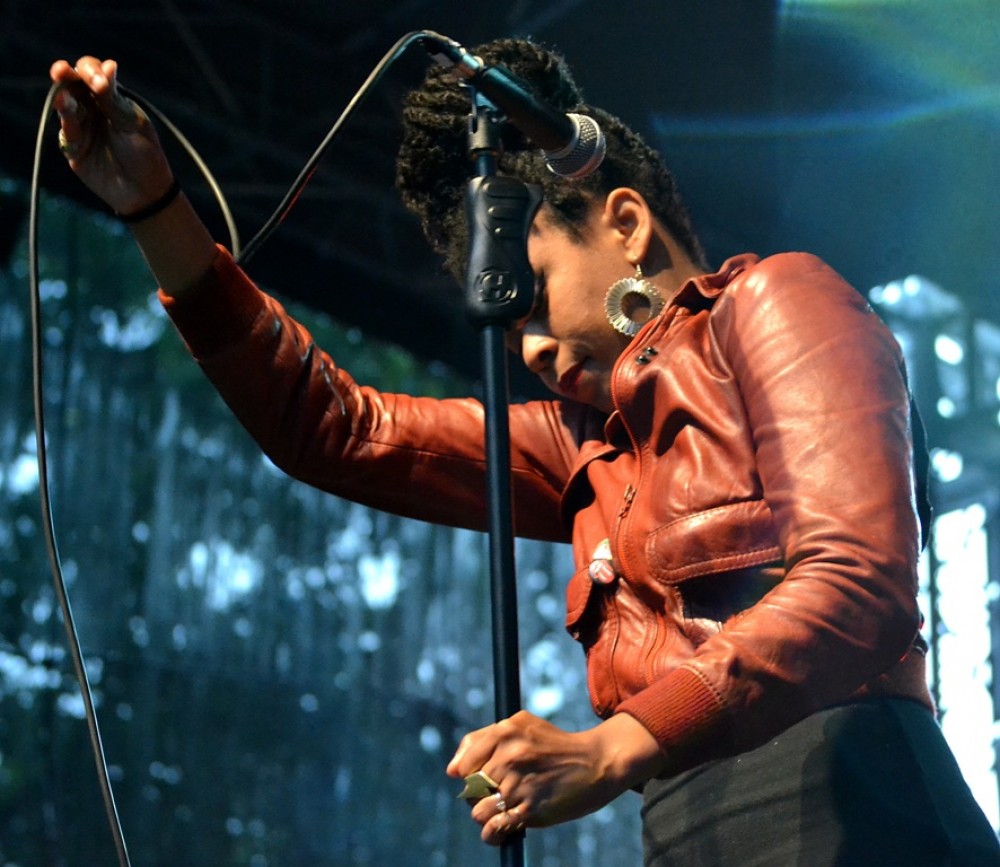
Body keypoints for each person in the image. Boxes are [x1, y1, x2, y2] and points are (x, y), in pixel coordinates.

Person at [49, 38, 1000, 866]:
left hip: (861, 802)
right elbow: (337, 428)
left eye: (537, 297)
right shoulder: (582, 441)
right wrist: (154, 207)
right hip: (686, 827)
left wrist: (616, 743)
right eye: (513, 337)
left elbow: (859, 577)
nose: (533, 350)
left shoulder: (774, 301)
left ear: (624, 223)